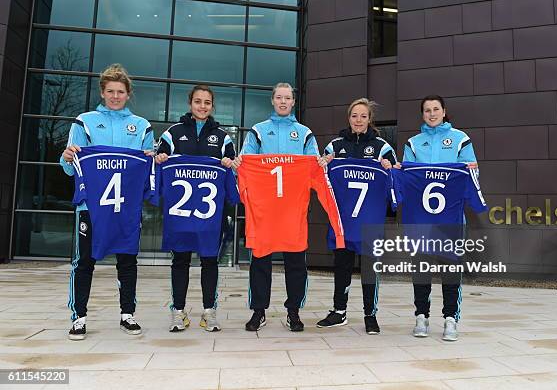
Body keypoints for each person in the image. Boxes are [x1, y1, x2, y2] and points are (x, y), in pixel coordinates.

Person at [60, 64, 154, 340]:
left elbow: (147, 171)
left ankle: (127, 314)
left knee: (127, 260)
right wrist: (66, 157)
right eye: (110, 91)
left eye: (120, 92)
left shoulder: (141, 126)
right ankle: (79, 317)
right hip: (91, 207)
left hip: (125, 207)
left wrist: (151, 159)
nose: (115, 96)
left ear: (128, 94)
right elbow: (69, 168)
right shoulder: (83, 122)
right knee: (84, 261)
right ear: (102, 92)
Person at [231, 82, 327, 332]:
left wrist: (320, 163)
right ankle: (259, 311)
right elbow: (246, 161)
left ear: (294, 102)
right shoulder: (258, 131)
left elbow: (314, 166)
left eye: (288, 98)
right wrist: (240, 162)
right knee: (260, 262)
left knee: (296, 263)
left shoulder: (304, 133)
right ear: (272, 101)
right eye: (279, 97)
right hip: (264, 211)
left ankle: (293, 312)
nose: (283, 101)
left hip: (293, 211)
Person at [155, 84, 235, 333]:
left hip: (210, 216)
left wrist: (229, 163)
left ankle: (209, 311)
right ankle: (178, 311)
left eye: (207, 102)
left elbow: (234, 167)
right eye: (198, 101)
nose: (202, 106)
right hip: (180, 215)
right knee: (180, 260)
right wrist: (159, 159)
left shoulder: (223, 137)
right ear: (190, 103)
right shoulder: (173, 133)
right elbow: (158, 163)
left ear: (212, 106)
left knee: (210, 261)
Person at [398, 94, 478, 341]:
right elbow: (408, 183)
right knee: (421, 269)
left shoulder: (460, 140)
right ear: (422, 114)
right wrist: (399, 171)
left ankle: (450, 319)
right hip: (421, 219)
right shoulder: (413, 143)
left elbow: (471, 177)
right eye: (427, 110)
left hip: (450, 220)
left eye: (435, 109)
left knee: (450, 270)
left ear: (444, 111)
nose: (431, 114)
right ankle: (421, 316)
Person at [316, 98, 397, 334]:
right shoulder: (335, 146)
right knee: (341, 265)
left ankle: (370, 315)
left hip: (369, 221)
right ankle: (339, 311)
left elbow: (395, 173)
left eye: (363, 116)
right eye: (354, 116)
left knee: (370, 268)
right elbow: (320, 173)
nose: (358, 120)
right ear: (348, 118)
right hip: (343, 220)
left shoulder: (382, 146)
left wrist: (389, 166)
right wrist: (323, 163)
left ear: (369, 119)